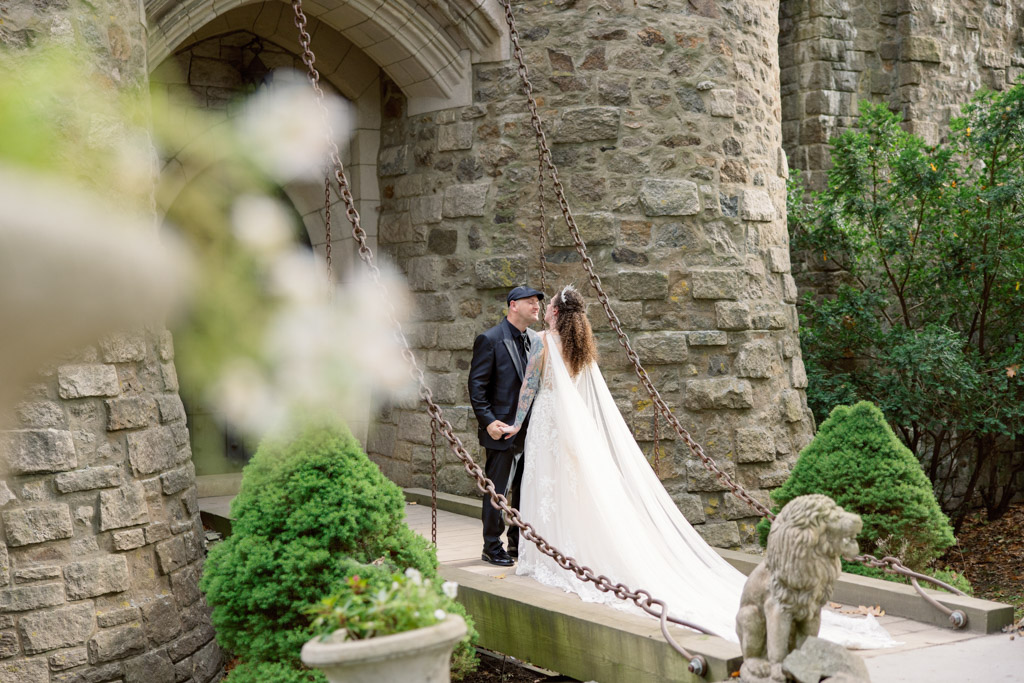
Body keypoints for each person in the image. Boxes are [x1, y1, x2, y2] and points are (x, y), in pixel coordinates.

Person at [500, 285, 894, 647]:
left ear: (554, 313)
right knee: (569, 489)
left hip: (550, 425)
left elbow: (530, 387)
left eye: (548, 304)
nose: (545, 307)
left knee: (549, 487)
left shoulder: (544, 342)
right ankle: (563, 553)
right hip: (574, 428)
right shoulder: (580, 346)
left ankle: (549, 557)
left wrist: (516, 424)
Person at [468, 285, 544, 567]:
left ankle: (516, 543)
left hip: (531, 431)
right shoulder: (489, 339)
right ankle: (491, 546)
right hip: (501, 431)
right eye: (531, 301)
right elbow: (477, 386)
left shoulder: (536, 340)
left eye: (538, 302)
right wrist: (488, 422)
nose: (537, 306)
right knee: (497, 491)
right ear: (513, 305)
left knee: (525, 490)